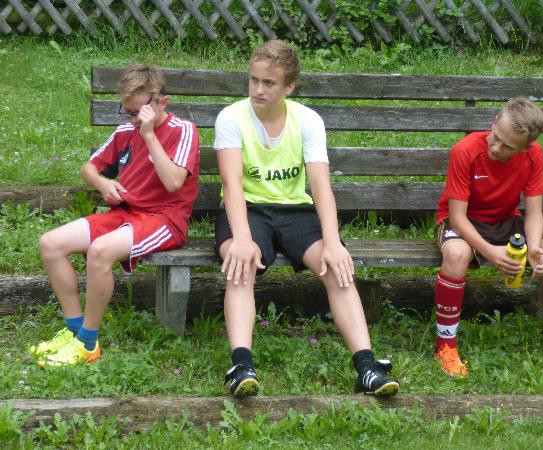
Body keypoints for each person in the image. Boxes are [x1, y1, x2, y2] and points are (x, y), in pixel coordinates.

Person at [213, 40, 399, 397]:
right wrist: (242, 239)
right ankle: (241, 366)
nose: (258, 89)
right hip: (247, 209)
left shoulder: (308, 120)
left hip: (295, 210)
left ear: (289, 87)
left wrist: (333, 242)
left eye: (269, 83)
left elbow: (320, 185)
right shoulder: (231, 117)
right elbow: (231, 184)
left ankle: (366, 368)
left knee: (336, 268)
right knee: (241, 264)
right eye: (254, 80)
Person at [32, 64, 200, 367]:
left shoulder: (182, 130)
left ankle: (88, 343)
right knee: (50, 244)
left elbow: (174, 182)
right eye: (128, 112)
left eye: (138, 113)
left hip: (165, 219)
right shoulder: (125, 131)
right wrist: (103, 183)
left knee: (100, 251)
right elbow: (89, 169)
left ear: (161, 102)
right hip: (126, 213)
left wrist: (149, 135)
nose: (133, 120)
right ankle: (73, 330)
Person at [433, 97, 543, 381]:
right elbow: (457, 218)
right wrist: (491, 252)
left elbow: (534, 213)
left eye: (507, 146)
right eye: (496, 137)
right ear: (494, 122)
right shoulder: (465, 150)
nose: (496, 147)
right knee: (456, 254)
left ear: (525, 148)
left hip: (506, 219)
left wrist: (535, 248)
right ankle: (445, 346)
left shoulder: (533, 155)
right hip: (463, 221)